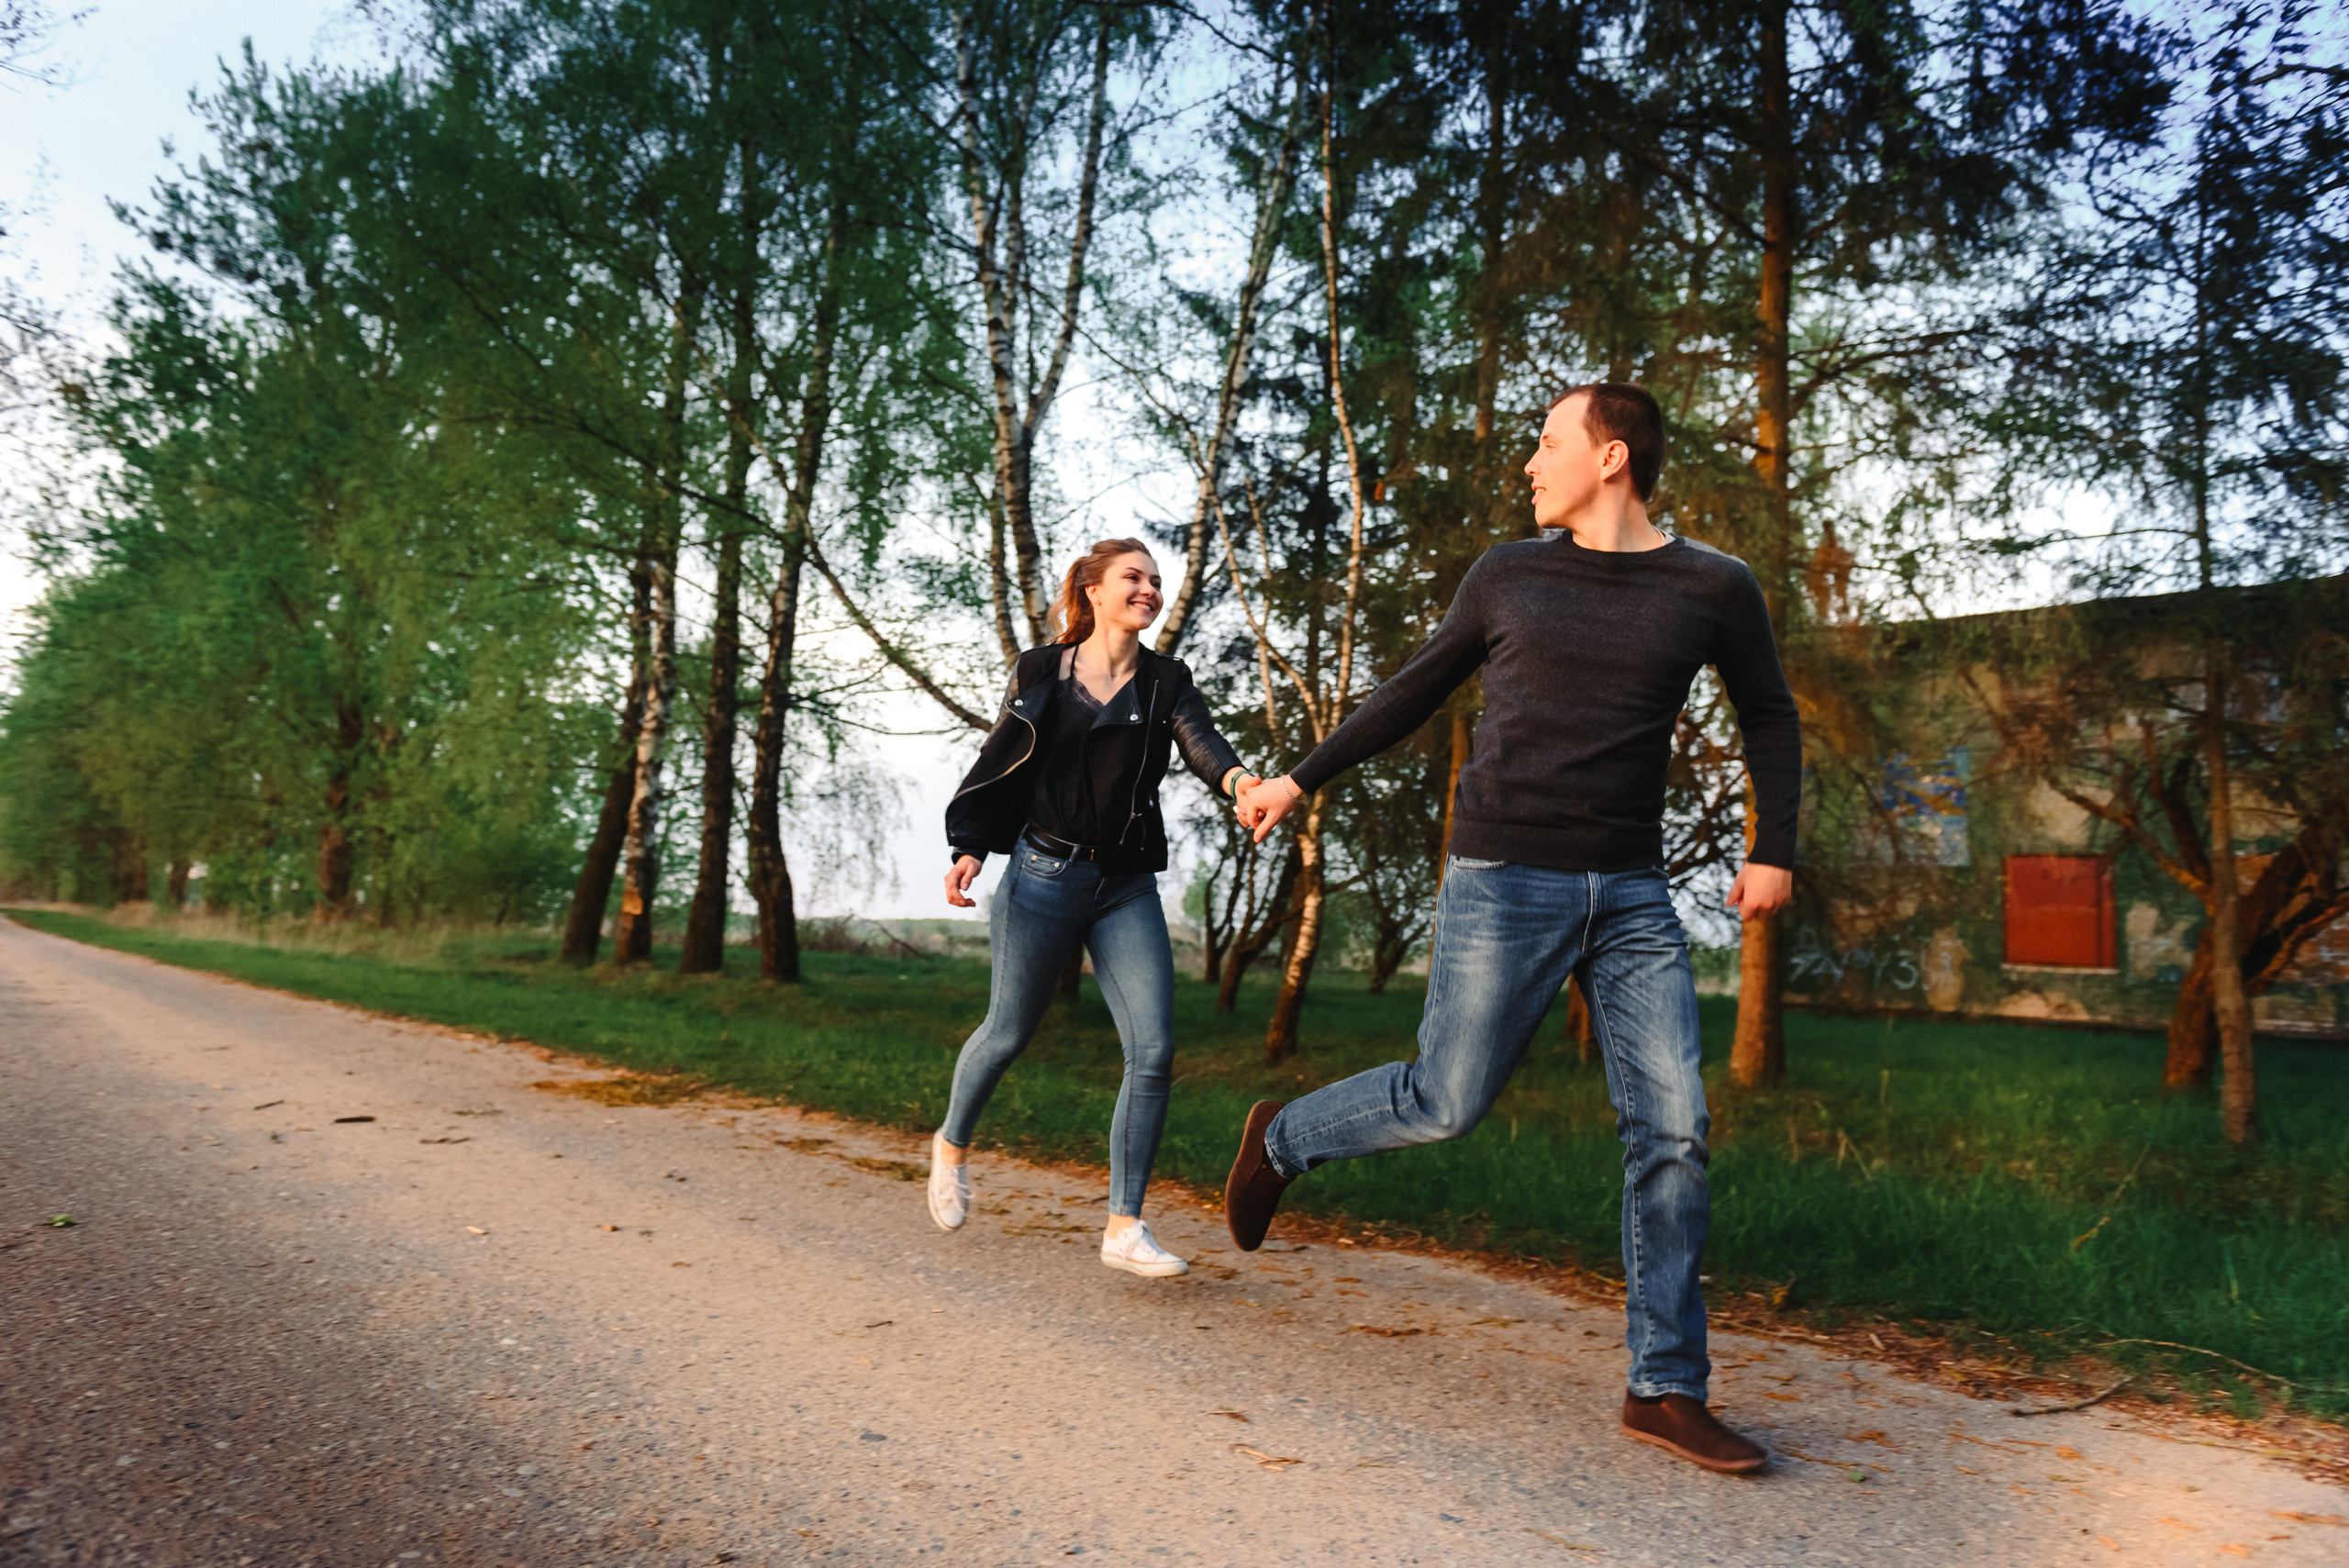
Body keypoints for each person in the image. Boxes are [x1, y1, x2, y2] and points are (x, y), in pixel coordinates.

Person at [1224, 384, 1798, 1473]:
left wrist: (1774, 844)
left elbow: (1766, 710)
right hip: (1504, 874)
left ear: (1612, 457)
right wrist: (1299, 778)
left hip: (1630, 892)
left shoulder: (1713, 585)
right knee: (1444, 1102)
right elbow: (1415, 686)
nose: (1531, 464)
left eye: (1548, 443)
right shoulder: (1508, 572)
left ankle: (1664, 1384)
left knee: (1672, 1126)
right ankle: (1283, 1137)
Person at [935, 538, 1261, 1278]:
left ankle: (1124, 1224)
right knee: (1009, 1030)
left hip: (1124, 887)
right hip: (1041, 874)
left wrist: (1240, 783)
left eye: (1155, 580)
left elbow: (1203, 743)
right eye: (1133, 578)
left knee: (1153, 1050)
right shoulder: (1041, 670)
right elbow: (1001, 761)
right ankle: (952, 1145)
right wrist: (971, 845)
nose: (1149, 589)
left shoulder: (1166, 680)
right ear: (1092, 590)